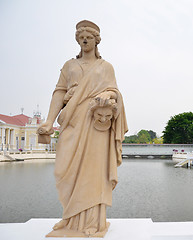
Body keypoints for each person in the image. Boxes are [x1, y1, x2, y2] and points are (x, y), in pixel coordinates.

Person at [37, 20, 128, 237]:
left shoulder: (105, 67)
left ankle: (93, 223)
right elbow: (59, 92)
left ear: (97, 40)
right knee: (63, 170)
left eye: (88, 37)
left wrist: (107, 95)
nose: (84, 40)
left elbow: (115, 92)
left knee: (93, 173)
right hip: (71, 122)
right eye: (80, 37)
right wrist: (49, 121)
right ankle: (69, 217)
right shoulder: (69, 66)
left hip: (96, 125)